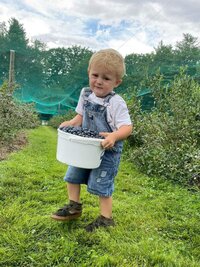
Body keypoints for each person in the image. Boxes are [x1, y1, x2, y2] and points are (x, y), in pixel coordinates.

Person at [51, 48, 133, 232]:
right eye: (95, 75)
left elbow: (127, 128)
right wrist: (72, 123)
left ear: (117, 82)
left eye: (106, 78)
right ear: (89, 73)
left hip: (107, 151)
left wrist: (114, 136)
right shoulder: (85, 94)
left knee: (102, 184)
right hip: (84, 147)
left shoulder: (116, 102)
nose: (99, 81)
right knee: (72, 176)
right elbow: (80, 116)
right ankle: (74, 207)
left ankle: (106, 219)